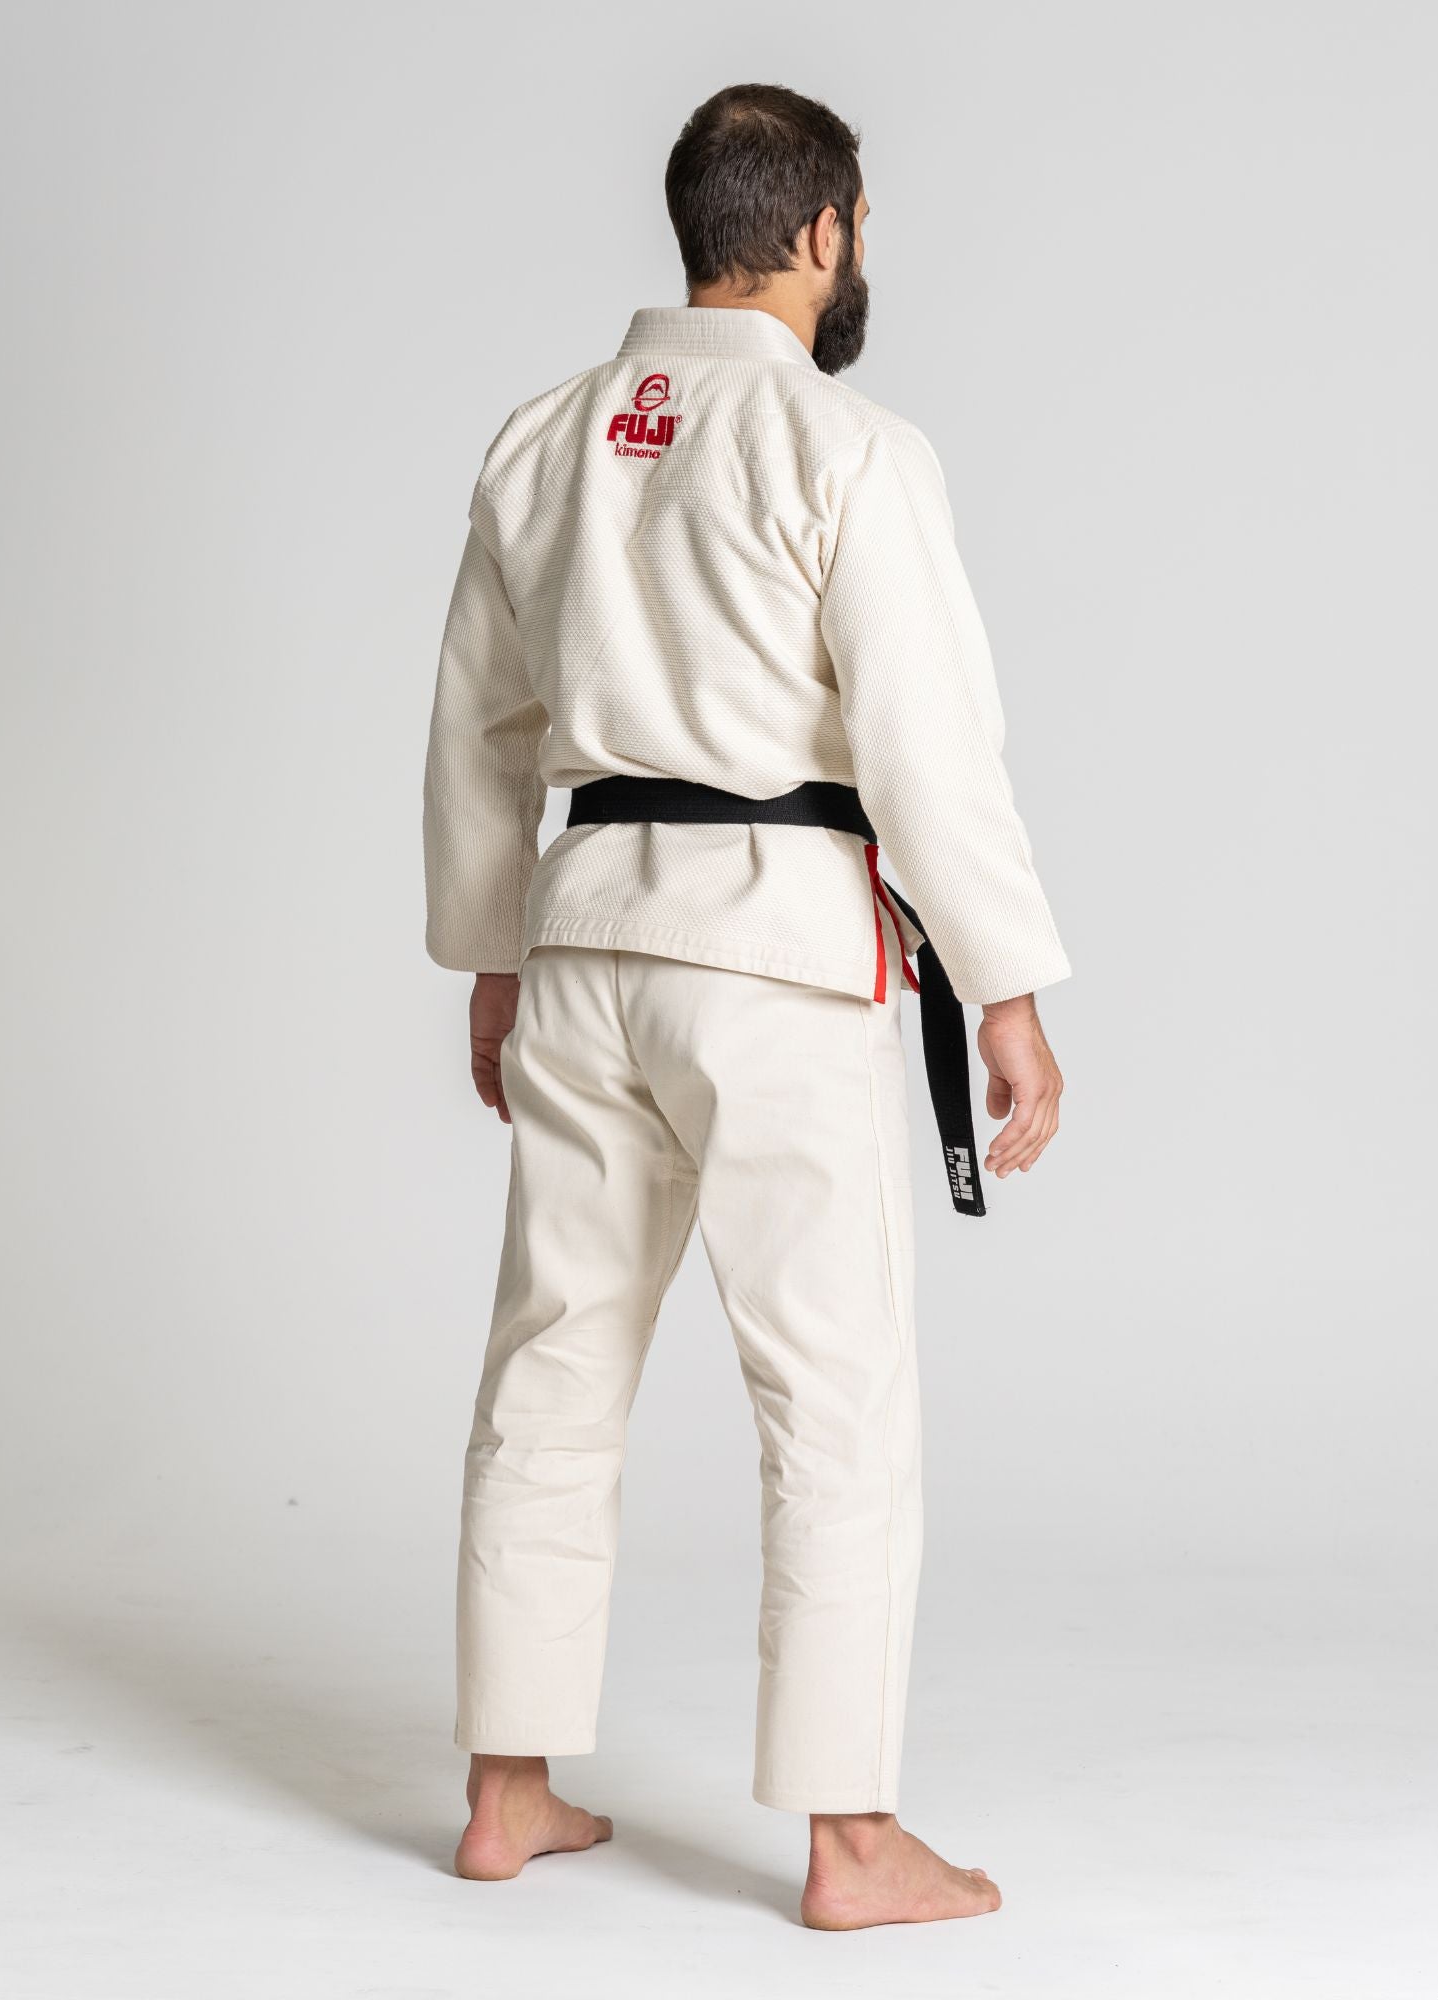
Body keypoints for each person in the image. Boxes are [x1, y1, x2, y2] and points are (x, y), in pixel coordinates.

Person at [422, 81, 1070, 1931]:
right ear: (823, 231)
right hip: (774, 959)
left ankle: (507, 1788)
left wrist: (491, 964)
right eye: (862, 225)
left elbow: (479, 736)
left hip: (585, 941)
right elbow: (929, 756)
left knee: (550, 1364)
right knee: (835, 1395)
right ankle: (852, 1845)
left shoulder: (544, 437)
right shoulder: (845, 449)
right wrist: (1007, 990)